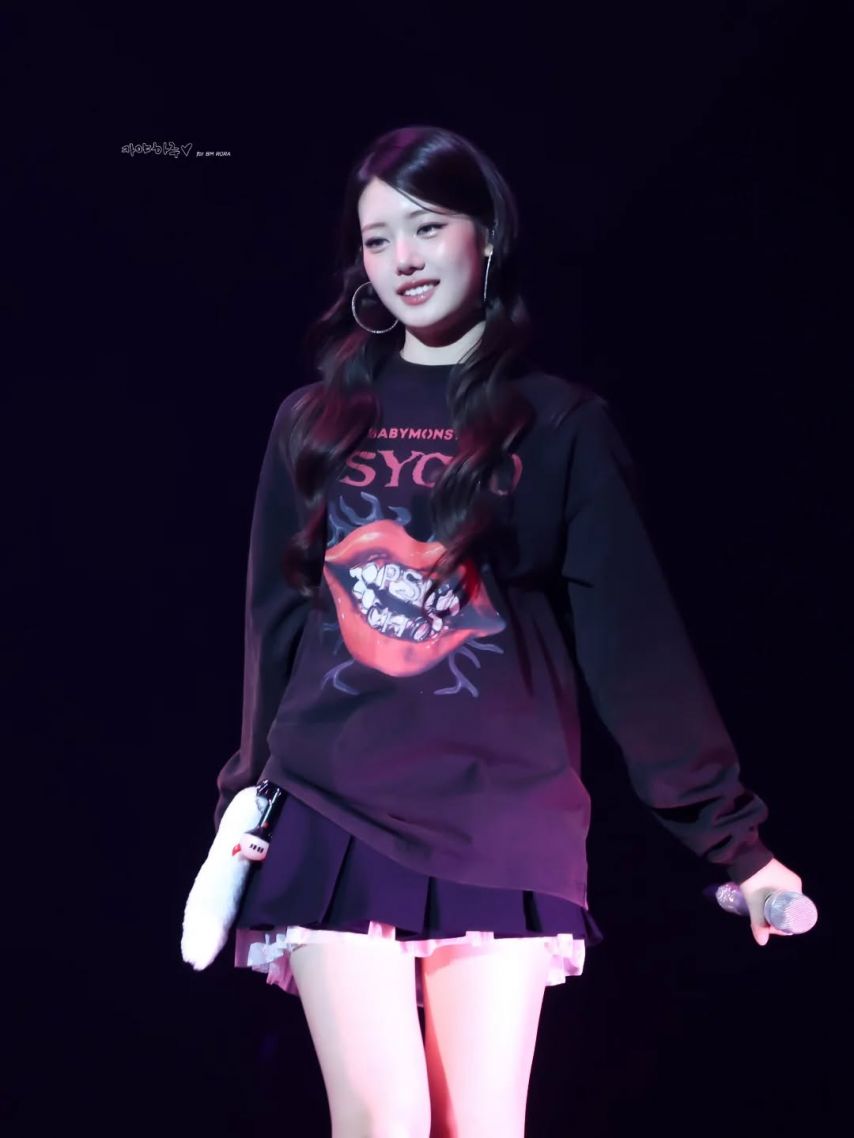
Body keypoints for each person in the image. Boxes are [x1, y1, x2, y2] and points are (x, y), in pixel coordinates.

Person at [211, 125, 804, 1138]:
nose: (402, 258)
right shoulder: (312, 422)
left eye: (426, 226)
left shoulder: (559, 424)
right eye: (376, 238)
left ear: (483, 234)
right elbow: (275, 622)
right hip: (331, 801)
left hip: (501, 813)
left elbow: (633, 645)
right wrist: (241, 801)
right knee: (384, 1120)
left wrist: (735, 845)